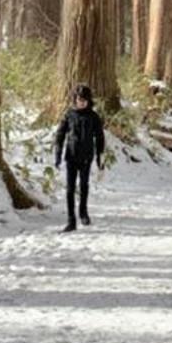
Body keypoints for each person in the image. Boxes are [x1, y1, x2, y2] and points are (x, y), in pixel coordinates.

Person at [53, 83, 106, 233]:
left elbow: (100, 138)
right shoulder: (69, 115)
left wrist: (99, 158)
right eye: (79, 99)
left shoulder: (94, 117)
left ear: (89, 100)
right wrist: (58, 153)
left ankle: (83, 212)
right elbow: (60, 134)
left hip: (86, 157)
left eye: (84, 100)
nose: (81, 102)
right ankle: (71, 220)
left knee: (84, 185)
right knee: (70, 189)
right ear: (74, 99)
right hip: (71, 156)